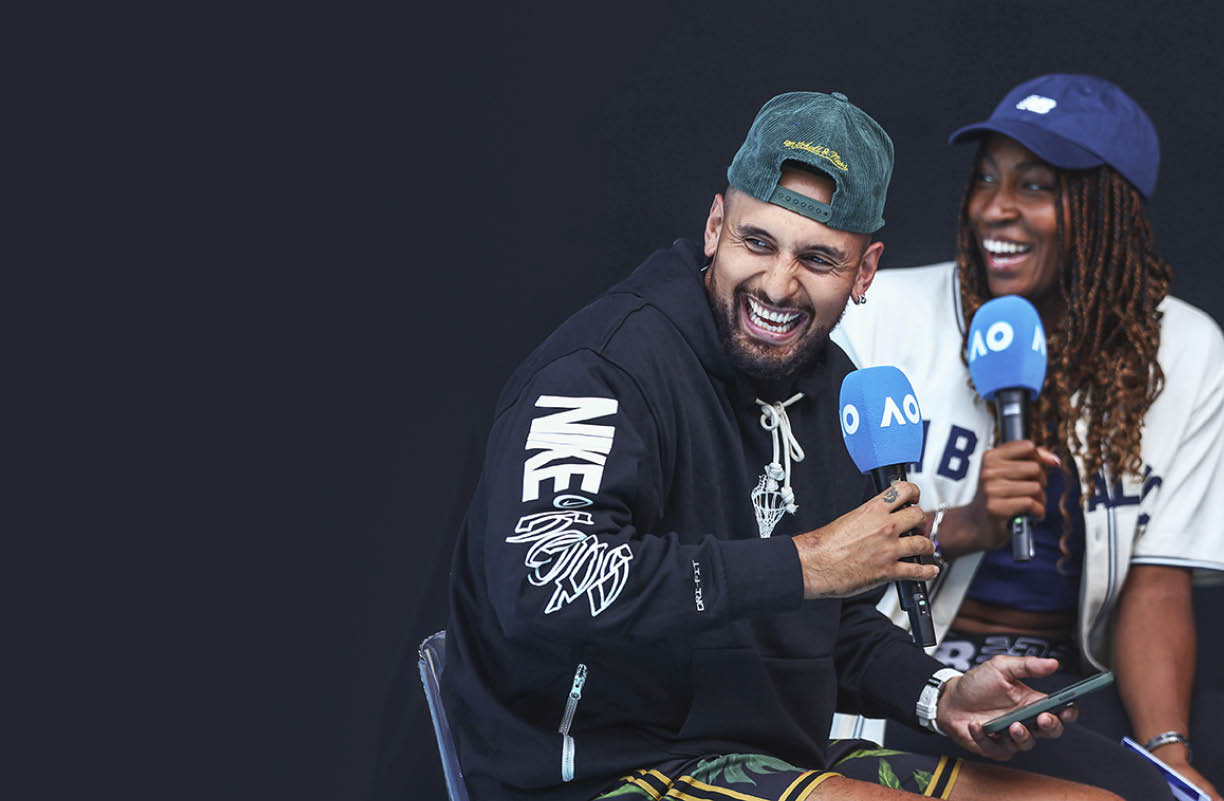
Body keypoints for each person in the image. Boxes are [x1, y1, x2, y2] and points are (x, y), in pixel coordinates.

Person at [441, 91, 1123, 801]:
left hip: (763, 752)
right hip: (597, 771)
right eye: (757, 242)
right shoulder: (601, 370)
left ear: (864, 272)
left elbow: (830, 626)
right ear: (715, 227)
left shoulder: (839, 392)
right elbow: (543, 579)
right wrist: (805, 562)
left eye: (818, 258)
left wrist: (940, 694)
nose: (777, 284)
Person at [833, 74, 1224, 800]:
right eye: (986, 178)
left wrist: (1169, 752)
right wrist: (965, 523)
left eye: (1035, 185)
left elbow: (1155, 579)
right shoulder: (880, 314)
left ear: (1111, 211)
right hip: (901, 678)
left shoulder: (1187, 352)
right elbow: (812, 550)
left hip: (1059, 693)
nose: (994, 208)